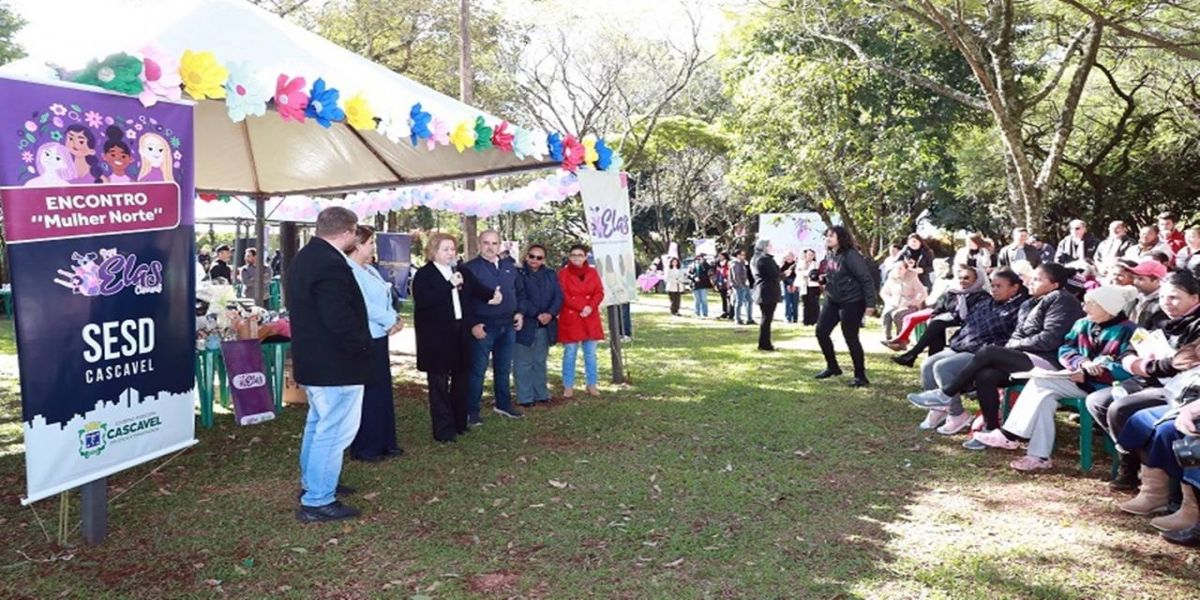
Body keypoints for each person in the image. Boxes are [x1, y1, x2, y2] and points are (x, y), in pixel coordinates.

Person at [908, 263, 1084, 440]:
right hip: (1026, 357)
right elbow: (1017, 334)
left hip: (1048, 361)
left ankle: (946, 394)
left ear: (1054, 285)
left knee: (989, 352)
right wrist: (1014, 345)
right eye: (1032, 278)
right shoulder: (1028, 304)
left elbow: (1050, 339)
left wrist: (1013, 346)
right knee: (986, 375)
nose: (1030, 282)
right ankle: (991, 430)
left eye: (1038, 279)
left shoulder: (1062, 300)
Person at [973, 286, 1139, 471]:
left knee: (1041, 383)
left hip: (1105, 387)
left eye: (1091, 304)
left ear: (1108, 308)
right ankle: (1038, 457)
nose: (1084, 308)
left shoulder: (1130, 331)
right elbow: (1066, 350)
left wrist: (1098, 370)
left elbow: (1129, 365)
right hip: (1077, 379)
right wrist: (1080, 363)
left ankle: (1009, 435)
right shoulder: (1082, 324)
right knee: (1045, 399)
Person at [287, 207, 373, 523]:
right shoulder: (329, 263)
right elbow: (338, 318)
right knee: (334, 430)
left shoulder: (307, 256)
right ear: (349, 232)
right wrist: (362, 347)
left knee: (319, 424)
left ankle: (315, 483)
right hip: (335, 363)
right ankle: (318, 499)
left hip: (315, 360)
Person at [1088, 270, 1200, 489]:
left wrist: (1147, 367)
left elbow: (1182, 363)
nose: (1167, 303)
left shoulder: (1196, 324)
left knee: (1120, 409)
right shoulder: (1157, 316)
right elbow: (1131, 347)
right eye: (1162, 297)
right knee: (1098, 401)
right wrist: (1133, 362)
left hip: (1181, 388)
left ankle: (1151, 474)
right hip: (1149, 378)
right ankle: (1137, 461)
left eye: (1174, 297)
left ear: (1195, 298)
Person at [907, 269, 1028, 434]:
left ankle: (957, 414)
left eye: (999, 286)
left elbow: (1011, 336)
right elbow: (968, 323)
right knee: (928, 364)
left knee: (943, 367)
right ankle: (938, 409)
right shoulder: (986, 302)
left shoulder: (1021, 308)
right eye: (992, 285)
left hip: (985, 352)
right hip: (964, 344)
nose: (994, 289)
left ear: (1014, 288)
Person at [345, 226, 404, 463]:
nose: (373, 248)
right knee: (369, 392)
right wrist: (389, 320)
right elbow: (364, 305)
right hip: (365, 335)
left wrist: (395, 318)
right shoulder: (349, 271)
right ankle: (366, 446)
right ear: (358, 245)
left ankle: (385, 441)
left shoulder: (369, 269)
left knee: (382, 389)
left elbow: (386, 296)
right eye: (370, 243)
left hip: (380, 334)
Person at [412, 233, 473, 443]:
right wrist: (448, 285)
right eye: (445, 249)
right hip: (436, 336)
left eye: (452, 249)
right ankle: (443, 429)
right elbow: (423, 301)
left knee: (461, 378)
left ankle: (459, 422)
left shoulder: (459, 270)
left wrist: (492, 295)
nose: (450, 253)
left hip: (459, 331)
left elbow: (475, 288)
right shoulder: (424, 274)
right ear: (433, 252)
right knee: (438, 383)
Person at [461, 230, 526, 425]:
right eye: (486, 243)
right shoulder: (469, 269)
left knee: (504, 368)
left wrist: (520, 312)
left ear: (500, 245)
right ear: (479, 244)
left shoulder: (510, 267)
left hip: (508, 326)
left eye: (495, 243)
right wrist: (473, 324)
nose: (491, 247)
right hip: (484, 327)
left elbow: (521, 292)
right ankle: (471, 411)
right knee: (477, 371)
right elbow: (464, 301)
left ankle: (503, 404)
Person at [888, 265, 990, 366]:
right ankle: (930, 364)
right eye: (960, 278)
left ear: (977, 280)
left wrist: (951, 317)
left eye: (967, 278)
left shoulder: (982, 296)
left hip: (969, 325)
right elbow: (938, 309)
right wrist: (936, 317)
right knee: (936, 328)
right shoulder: (952, 293)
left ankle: (913, 354)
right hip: (946, 323)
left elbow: (977, 315)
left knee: (937, 324)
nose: (962, 281)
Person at [814, 226, 877, 387]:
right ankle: (833, 367)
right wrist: (821, 278)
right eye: (827, 236)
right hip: (832, 299)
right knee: (821, 332)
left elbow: (866, 279)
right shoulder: (830, 254)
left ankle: (860, 376)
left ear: (841, 238)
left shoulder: (852, 255)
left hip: (852, 301)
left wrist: (870, 303)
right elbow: (834, 275)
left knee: (851, 337)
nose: (828, 238)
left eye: (831, 236)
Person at [513, 244, 563, 407]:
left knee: (539, 360)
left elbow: (558, 296)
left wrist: (550, 313)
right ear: (526, 256)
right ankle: (525, 397)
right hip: (525, 323)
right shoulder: (518, 274)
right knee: (523, 361)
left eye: (539, 257)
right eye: (532, 256)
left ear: (544, 260)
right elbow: (521, 298)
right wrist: (537, 314)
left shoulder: (550, 275)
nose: (535, 260)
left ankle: (541, 393)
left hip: (545, 324)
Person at [558, 244, 605, 398]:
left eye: (580, 255)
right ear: (569, 257)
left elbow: (599, 292)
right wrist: (580, 307)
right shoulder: (563, 274)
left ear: (585, 256)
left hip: (590, 316)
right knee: (570, 352)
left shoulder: (593, 272)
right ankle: (568, 385)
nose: (577, 258)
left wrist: (590, 307)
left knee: (590, 353)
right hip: (572, 316)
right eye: (573, 255)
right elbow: (562, 295)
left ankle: (592, 384)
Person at [879, 262, 928, 340]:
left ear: (906, 269)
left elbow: (922, 292)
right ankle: (888, 337)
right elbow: (884, 292)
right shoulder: (891, 278)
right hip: (894, 303)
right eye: (896, 268)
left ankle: (901, 337)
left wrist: (914, 301)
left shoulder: (912, 278)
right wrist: (889, 301)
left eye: (900, 268)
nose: (898, 270)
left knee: (897, 315)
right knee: (886, 314)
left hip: (909, 305)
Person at [753, 240, 781, 351]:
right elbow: (774, 275)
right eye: (770, 245)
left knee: (766, 318)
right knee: (766, 319)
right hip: (768, 291)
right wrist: (782, 274)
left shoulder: (756, 258)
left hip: (762, 290)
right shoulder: (765, 259)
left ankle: (764, 342)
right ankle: (765, 344)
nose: (771, 247)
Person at [1127, 259, 1170, 330]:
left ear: (1157, 281)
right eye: (1134, 278)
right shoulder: (1134, 297)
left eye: (1141, 279)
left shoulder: (1163, 304)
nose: (1135, 282)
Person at [729, 249, 754, 325]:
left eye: (744, 255)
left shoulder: (743, 263)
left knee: (749, 301)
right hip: (739, 286)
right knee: (739, 302)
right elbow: (735, 276)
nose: (744, 256)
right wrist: (740, 285)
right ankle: (737, 319)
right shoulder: (735, 264)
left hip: (745, 285)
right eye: (742, 255)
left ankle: (749, 319)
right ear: (738, 255)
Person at [800, 248, 821, 326]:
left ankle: (815, 320)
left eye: (812, 255)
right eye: (808, 254)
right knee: (806, 303)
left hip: (813, 286)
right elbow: (799, 272)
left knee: (814, 303)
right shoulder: (801, 263)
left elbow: (814, 274)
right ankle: (806, 320)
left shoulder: (816, 264)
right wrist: (806, 273)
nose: (810, 256)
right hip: (804, 286)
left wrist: (806, 274)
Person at [689, 254, 713, 318]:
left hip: (703, 285)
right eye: (698, 258)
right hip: (695, 285)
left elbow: (709, 271)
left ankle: (705, 313)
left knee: (703, 299)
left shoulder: (705, 265)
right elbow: (689, 274)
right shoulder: (692, 265)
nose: (699, 259)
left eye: (701, 258)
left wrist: (703, 263)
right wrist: (694, 277)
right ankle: (697, 313)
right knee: (697, 300)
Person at [781, 251, 800, 324]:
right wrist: (788, 285)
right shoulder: (783, 265)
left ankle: (795, 318)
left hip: (796, 283)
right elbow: (782, 276)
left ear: (793, 257)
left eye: (790, 256)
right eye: (787, 256)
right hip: (786, 284)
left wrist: (794, 285)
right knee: (787, 302)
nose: (789, 257)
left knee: (795, 302)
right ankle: (788, 317)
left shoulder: (796, 265)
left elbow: (798, 275)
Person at [714, 252, 733, 320]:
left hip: (727, 283)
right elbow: (717, 274)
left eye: (721, 256)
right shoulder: (718, 264)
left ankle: (731, 313)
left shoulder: (728, 263)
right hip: (720, 283)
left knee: (730, 299)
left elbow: (729, 272)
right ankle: (724, 312)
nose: (719, 257)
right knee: (723, 299)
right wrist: (716, 283)